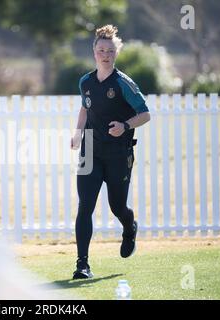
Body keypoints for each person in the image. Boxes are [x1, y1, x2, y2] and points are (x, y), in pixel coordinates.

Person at [70, 25, 151, 279]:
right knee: (85, 206)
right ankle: (82, 264)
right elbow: (85, 108)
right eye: (101, 50)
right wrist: (77, 133)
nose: (105, 55)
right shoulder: (86, 81)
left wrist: (125, 125)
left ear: (116, 53)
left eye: (110, 51)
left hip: (118, 151)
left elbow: (146, 114)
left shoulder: (123, 83)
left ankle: (129, 226)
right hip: (90, 149)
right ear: (94, 52)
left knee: (117, 207)